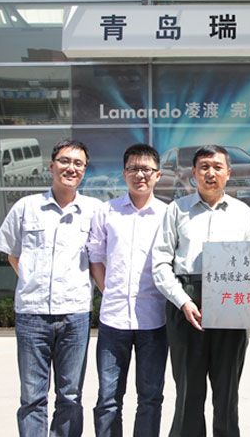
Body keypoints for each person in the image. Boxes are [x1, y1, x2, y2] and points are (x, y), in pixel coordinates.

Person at [0, 140, 101, 437]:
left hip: (75, 315)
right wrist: (32, 280)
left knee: (70, 395)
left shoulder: (94, 211)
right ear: (51, 166)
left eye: (78, 163)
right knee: (32, 397)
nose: (71, 168)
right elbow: (13, 254)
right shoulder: (26, 207)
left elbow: (100, 259)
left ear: (84, 171)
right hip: (32, 315)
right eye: (64, 161)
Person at [152, 145, 250, 437]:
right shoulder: (177, 210)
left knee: (227, 392)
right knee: (189, 391)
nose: (210, 173)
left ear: (229, 173)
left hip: (231, 303)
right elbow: (160, 263)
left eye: (217, 167)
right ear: (193, 173)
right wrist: (183, 301)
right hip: (186, 303)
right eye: (203, 167)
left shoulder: (244, 213)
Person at [87, 144, 168, 437]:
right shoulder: (106, 212)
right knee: (108, 399)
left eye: (146, 169)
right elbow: (96, 257)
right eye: (133, 168)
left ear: (158, 175)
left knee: (150, 398)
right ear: (124, 174)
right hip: (113, 320)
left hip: (154, 320)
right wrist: (107, 289)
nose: (140, 175)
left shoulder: (168, 214)